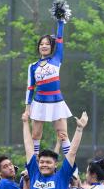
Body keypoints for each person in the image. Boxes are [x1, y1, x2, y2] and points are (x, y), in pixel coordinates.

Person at [23, 14, 72, 157]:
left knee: (63, 134)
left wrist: (60, 22)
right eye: (41, 44)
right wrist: (27, 109)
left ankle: (70, 165)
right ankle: (34, 163)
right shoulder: (32, 66)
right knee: (36, 135)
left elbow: (60, 39)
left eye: (47, 44)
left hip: (56, 101)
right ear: (38, 47)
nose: (44, 46)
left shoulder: (57, 58)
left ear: (52, 47)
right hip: (39, 102)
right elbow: (30, 88)